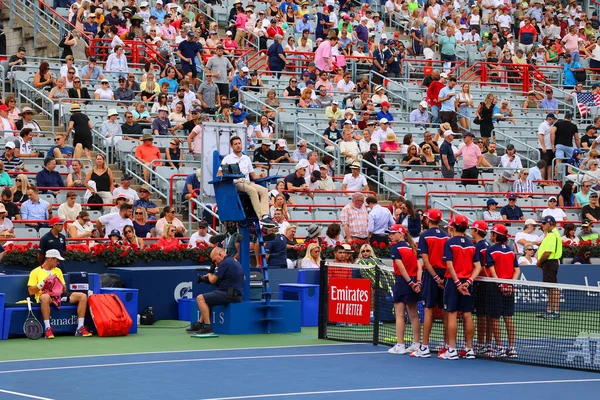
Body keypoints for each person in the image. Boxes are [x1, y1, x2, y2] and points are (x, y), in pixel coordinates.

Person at [27, 249, 92, 339]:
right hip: (45, 296)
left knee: (83, 296)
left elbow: (64, 289)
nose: (58, 263)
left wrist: (57, 282)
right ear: (51, 259)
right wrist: (44, 282)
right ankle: (47, 328)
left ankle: (80, 328)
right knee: (45, 297)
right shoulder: (35, 272)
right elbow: (31, 291)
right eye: (57, 260)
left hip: (59, 296)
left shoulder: (58, 271)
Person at [441, 214, 481, 360]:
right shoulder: (471, 244)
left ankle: (452, 349)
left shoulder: (449, 243)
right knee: (467, 315)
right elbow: (477, 266)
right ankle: (469, 349)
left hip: (453, 282)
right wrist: (469, 281)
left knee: (452, 313)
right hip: (466, 282)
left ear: (453, 227)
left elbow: (449, 265)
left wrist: (458, 283)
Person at [411, 208, 449, 358]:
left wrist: (434, 278)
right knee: (447, 311)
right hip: (445, 275)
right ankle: (447, 346)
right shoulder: (446, 236)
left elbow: (425, 260)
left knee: (428, 309)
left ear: (428, 220)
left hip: (431, 275)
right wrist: (442, 278)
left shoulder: (424, 236)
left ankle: (425, 346)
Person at [188, 248, 244, 335]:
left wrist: (210, 272)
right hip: (234, 293)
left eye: (215, 260)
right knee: (208, 301)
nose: (215, 263)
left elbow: (213, 280)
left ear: (221, 255)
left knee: (200, 298)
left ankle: (207, 327)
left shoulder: (225, 263)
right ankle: (199, 324)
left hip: (230, 295)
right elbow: (244, 277)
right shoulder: (234, 261)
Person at [485, 224, 519, 358]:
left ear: (495, 235)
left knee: (494, 318)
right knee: (508, 317)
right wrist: (510, 284)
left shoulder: (491, 250)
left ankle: (499, 347)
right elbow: (517, 270)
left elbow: (492, 269)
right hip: (509, 287)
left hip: (496, 288)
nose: (490, 235)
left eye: (492, 233)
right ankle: (511, 348)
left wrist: (500, 284)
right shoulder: (511, 251)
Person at [387, 224, 422, 355]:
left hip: (403, 282)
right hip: (413, 281)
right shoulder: (412, 247)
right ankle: (416, 343)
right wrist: (417, 282)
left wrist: (411, 283)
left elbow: (401, 268)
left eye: (393, 233)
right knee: (414, 314)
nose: (390, 235)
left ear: (400, 234)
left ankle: (400, 345)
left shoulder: (396, 248)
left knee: (400, 315)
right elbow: (419, 267)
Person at [536, 215, 562, 319]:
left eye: (544, 223)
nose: (542, 225)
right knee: (550, 288)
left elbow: (547, 253)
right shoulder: (552, 234)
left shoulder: (552, 235)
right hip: (549, 263)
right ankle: (549, 310)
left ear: (550, 224)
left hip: (550, 263)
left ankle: (555, 312)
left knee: (553, 288)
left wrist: (539, 262)